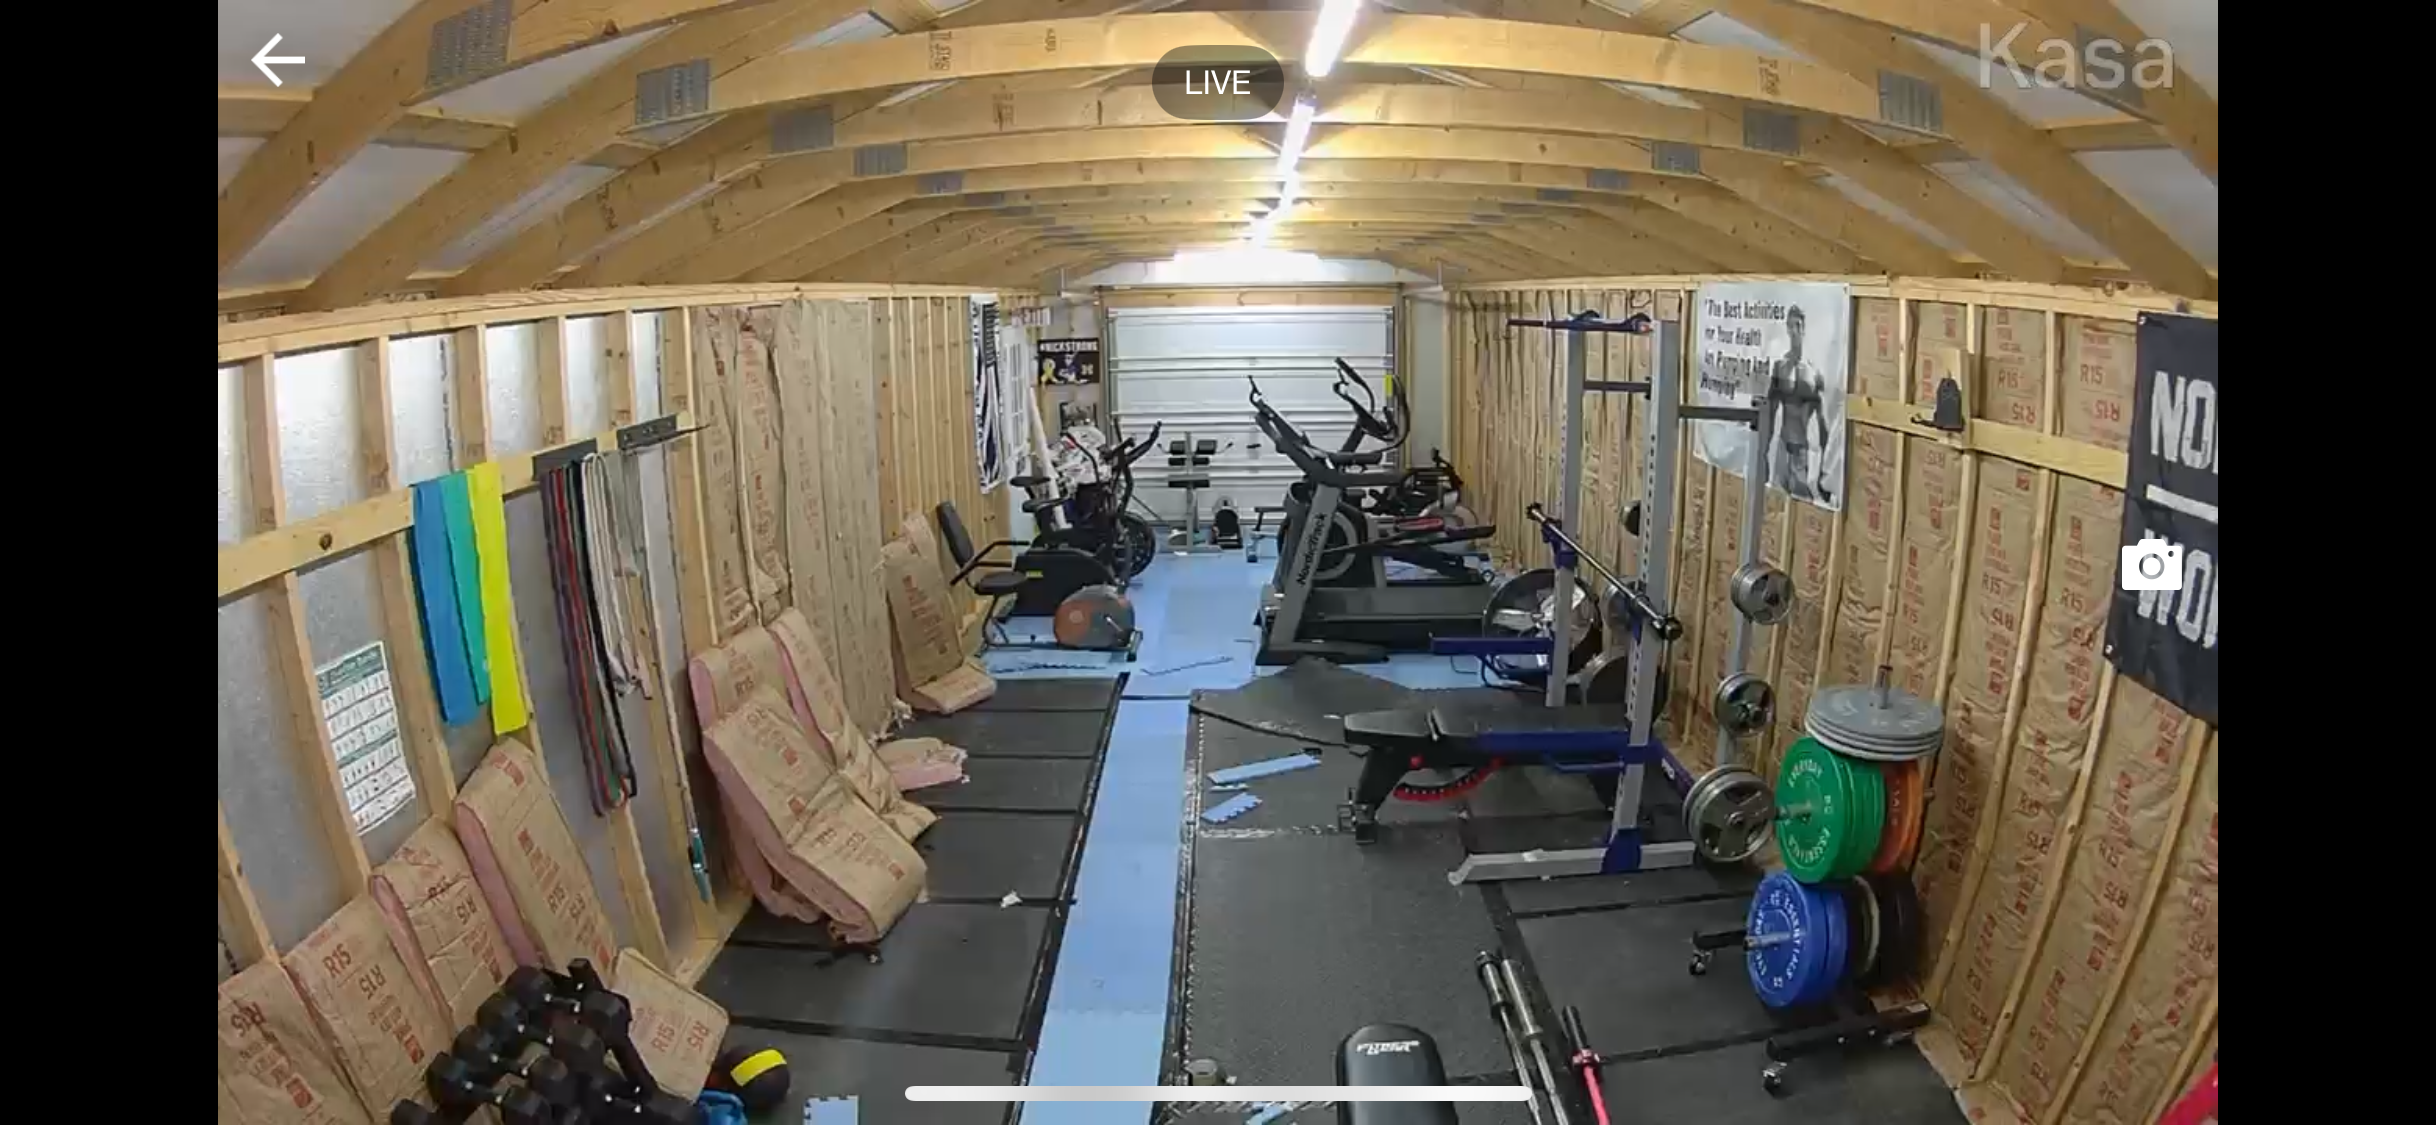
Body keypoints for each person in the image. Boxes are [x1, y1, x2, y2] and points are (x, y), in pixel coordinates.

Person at [1766, 305, 1834, 505]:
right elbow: (1770, 409)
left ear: (1804, 329)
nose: (1794, 330)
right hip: (1782, 445)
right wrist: (1763, 453)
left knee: (1801, 505)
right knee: (1775, 503)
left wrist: (1825, 472)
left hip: (1802, 451)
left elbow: (1823, 422)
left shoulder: (1814, 373)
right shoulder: (1780, 367)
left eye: (1798, 325)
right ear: (1787, 329)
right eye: (1791, 325)